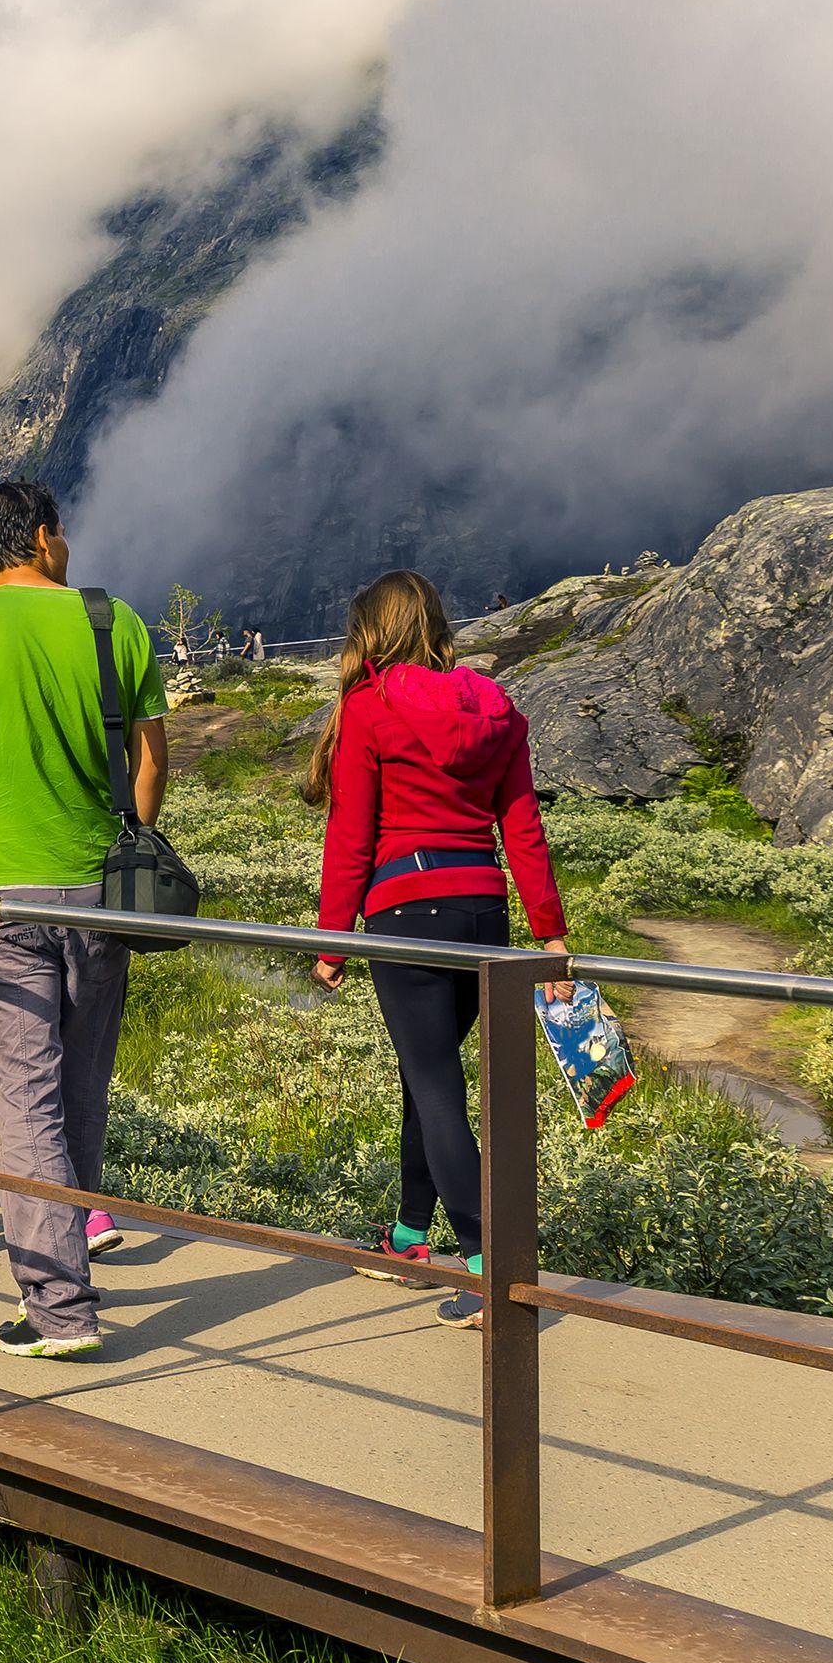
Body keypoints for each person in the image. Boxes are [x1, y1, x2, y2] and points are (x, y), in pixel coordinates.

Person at [0, 481, 165, 1360]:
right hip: (97, 894)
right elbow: (150, 764)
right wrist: (129, 841)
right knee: (82, 1087)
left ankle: (58, 1306)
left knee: (24, 1099)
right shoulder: (116, 623)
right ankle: (69, 1272)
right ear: (44, 539)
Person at [306, 570, 569, 1333]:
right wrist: (549, 932)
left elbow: (351, 832)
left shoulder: (370, 706)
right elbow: (522, 828)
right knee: (425, 1080)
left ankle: (493, 1271)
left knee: (436, 1088)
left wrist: (333, 942)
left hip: (406, 913)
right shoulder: (496, 709)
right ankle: (411, 1237)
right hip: (484, 916)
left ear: (375, 634)